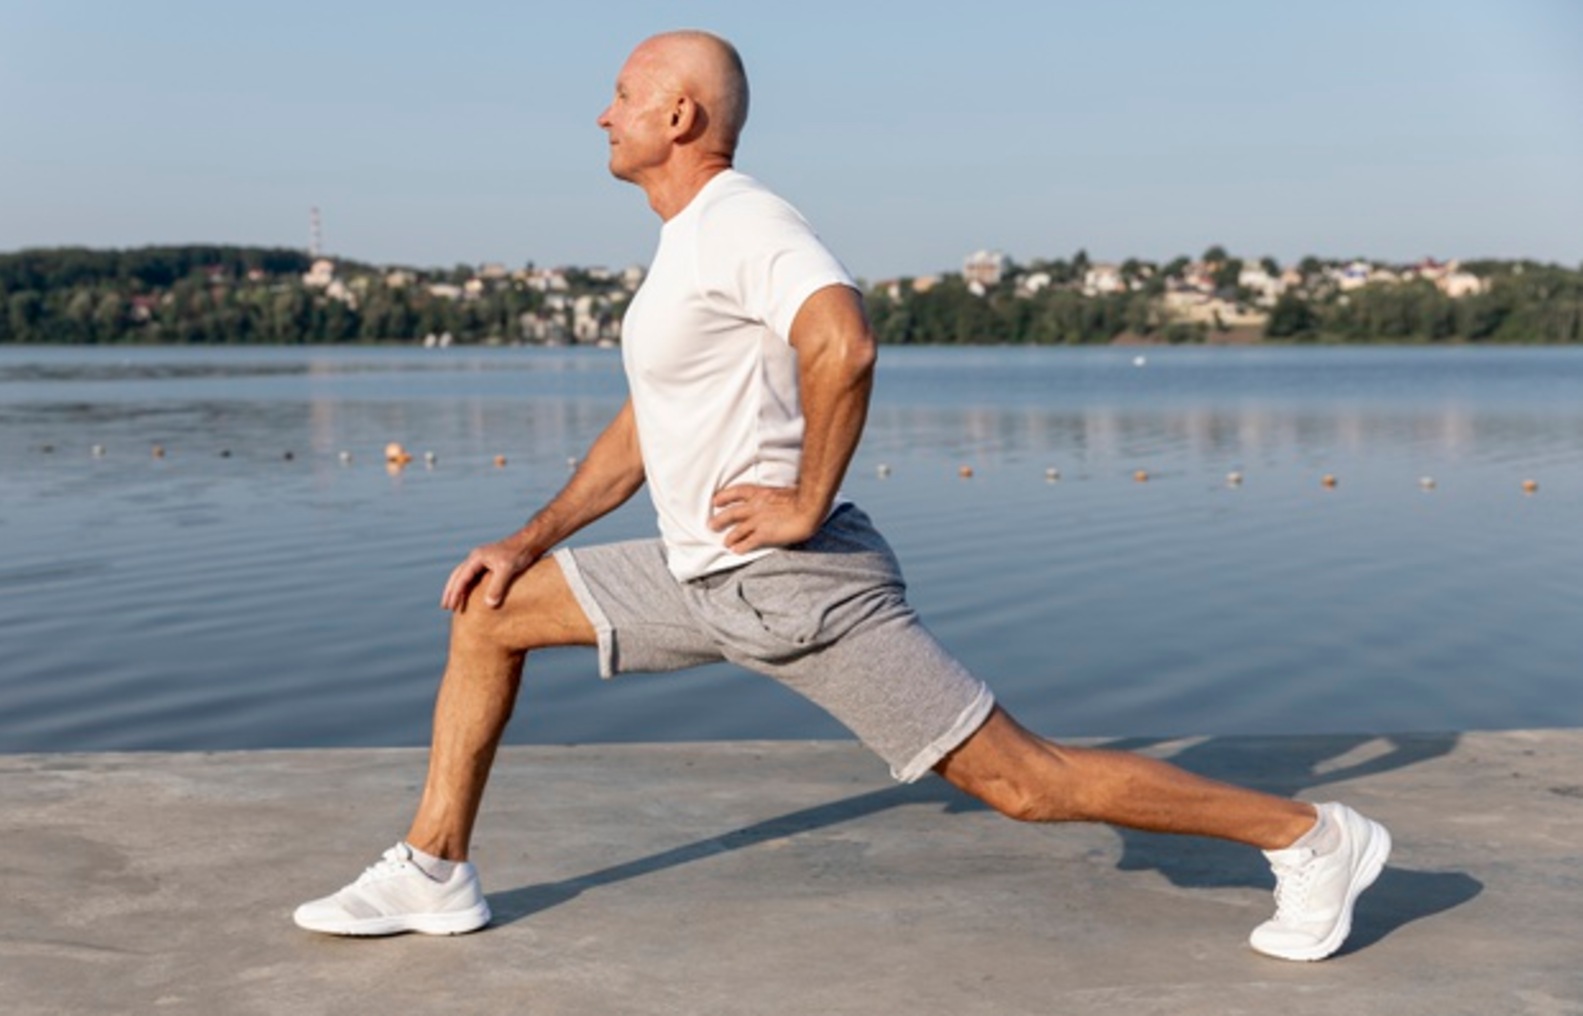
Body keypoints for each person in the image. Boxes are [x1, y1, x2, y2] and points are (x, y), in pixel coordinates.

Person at [294, 29, 1390, 962]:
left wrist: (806, 500)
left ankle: (1307, 835)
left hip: (790, 582)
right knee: (490, 612)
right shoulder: (686, 246)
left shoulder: (742, 220)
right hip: (698, 569)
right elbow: (645, 430)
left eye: (621, 97)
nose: (602, 116)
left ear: (678, 115)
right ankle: (434, 868)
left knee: (1022, 780)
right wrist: (525, 537)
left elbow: (844, 343)